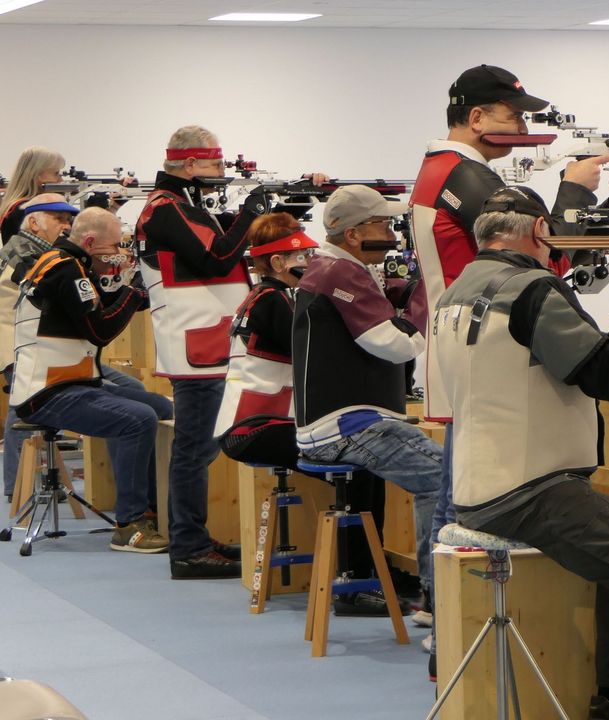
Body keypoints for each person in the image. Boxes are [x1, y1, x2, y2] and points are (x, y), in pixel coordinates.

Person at [409, 63, 609, 644]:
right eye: (513, 114)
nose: (522, 126)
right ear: (476, 117)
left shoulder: (443, 171)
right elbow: (538, 251)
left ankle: (443, 617)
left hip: (470, 345)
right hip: (490, 350)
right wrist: (575, 190)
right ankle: (450, 626)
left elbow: (555, 259)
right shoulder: (465, 178)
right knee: (463, 498)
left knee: (460, 489)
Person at [433, 186, 609, 720]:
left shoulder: (457, 289)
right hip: (530, 488)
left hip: (479, 484)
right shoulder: (531, 290)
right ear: (540, 231)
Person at [293, 185, 443, 616]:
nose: (393, 232)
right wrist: (426, 294)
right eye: (384, 223)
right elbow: (396, 346)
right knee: (442, 476)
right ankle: (438, 598)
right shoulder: (341, 273)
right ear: (355, 234)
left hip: (334, 422)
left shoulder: (329, 268)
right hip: (344, 425)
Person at [135, 125, 270, 579]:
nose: (221, 172)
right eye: (215, 164)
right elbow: (215, 259)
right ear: (190, 165)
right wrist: (250, 217)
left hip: (204, 343)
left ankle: (193, 538)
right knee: (195, 449)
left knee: (199, 448)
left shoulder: (178, 207)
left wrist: (244, 221)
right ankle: (189, 547)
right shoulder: (165, 210)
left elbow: (215, 253)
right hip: (196, 349)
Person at [10, 208, 173, 552]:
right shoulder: (65, 269)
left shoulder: (71, 264)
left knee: (158, 405)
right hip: (46, 391)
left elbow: (103, 307)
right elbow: (100, 330)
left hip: (73, 380)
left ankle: (152, 507)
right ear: (89, 242)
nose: (119, 252)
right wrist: (132, 293)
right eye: (114, 245)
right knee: (138, 419)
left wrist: (140, 292)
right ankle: (129, 525)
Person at [214, 213, 317, 469]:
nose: (310, 263)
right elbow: (311, 357)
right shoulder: (274, 300)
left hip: (240, 425)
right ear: (278, 262)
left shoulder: (260, 295)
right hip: (257, 425)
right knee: (356, 461)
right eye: (303, 256)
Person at [1, 193, 76, 500]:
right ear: (33, 222)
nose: (67, 226)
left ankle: (19, 486)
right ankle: (16, 487)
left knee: (23, 410)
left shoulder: (39, 248)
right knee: (21, 412)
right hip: (16, 342)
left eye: (69, 219)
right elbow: (45, 289)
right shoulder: (22, 250)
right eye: (59, 219)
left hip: (26, 341)